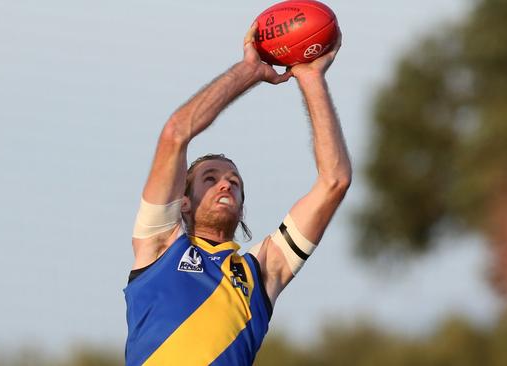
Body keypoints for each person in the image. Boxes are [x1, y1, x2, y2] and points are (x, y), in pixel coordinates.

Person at [124, 22, 351, 366]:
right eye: (210, 178)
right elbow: (175, 134)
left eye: (234, 181)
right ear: (183, 202)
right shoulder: (159, 246)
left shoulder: (259, 271)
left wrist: (310, 78)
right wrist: (250, 71)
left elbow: (335, 181)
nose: (225, 184)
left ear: (242, 208)